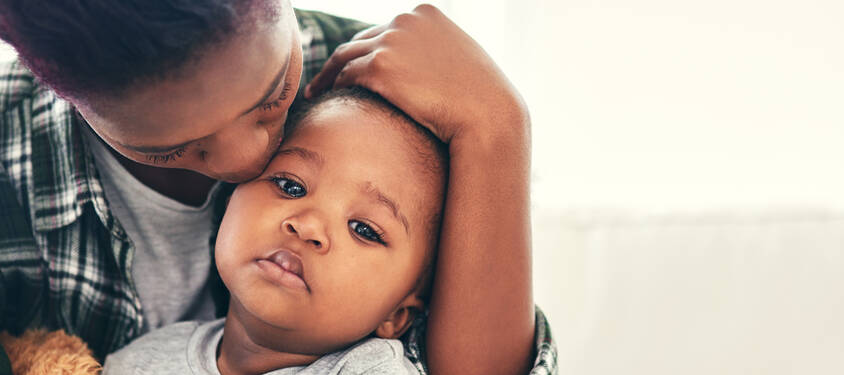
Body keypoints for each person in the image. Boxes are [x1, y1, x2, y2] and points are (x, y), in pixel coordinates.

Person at [0, 1, 555, 374]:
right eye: (174, 147)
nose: (251, 162)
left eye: (274, 96)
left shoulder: (396, 103)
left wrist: (497, 124)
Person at [104, 87, 447, 375]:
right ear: (228, 201)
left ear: (396, 315)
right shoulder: (137, 361)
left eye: (363, 229)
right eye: (290, 186)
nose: (307, 225)